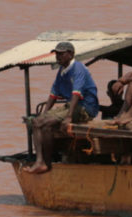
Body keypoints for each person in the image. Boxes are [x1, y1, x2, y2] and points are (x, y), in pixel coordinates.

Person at [24, 40, 99, 174]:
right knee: (36, 121)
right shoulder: (62, 70)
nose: (58, 57)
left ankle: (46, 163)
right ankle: (39, 160)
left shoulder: (78, 68)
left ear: (70, 54)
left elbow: (76, 93)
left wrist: (69, 116)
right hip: (72, 105)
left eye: (61, 54)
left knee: (46, 124)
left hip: (85, 107)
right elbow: (53, 94)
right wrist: (44, 112)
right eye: (56, 54)